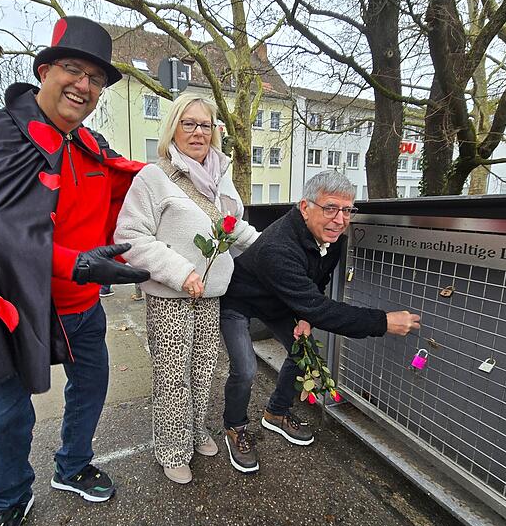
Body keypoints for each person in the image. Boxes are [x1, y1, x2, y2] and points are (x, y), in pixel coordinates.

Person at [0, 16, 150, 526]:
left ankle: (72, 465)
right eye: (72, 69)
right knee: (6, 413)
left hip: (82, 308)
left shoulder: (91, 145)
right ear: (44, 71)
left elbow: (121, 204)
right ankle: (9, 503)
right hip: (10, 310)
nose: (83, 85)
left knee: (92, 384)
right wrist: (75, 264)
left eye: (96, 78)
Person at [219, 170, 421, 473]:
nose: (339, 219)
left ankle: (275, 412)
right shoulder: (278, 247)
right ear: (305, 207)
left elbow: (318, 281)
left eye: (347, 210)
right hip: (240, 299)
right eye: (330, 208)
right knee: (246, 367)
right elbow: (321, 307)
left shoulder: (332, 236)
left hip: (280, 299)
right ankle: (234, 427)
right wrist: (383, 322)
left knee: (304, 353)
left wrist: (303, 316)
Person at [115, 94, 259, 484]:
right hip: (170, 298)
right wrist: (180, 272)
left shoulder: (218, 176)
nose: (198, 132)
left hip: (210, 296)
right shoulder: (153, 177)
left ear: (215, 132)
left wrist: (270, 250)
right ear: (173, 128)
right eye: (189, 123)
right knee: (172, 376)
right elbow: (129, 236)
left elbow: (232, 227)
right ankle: (171, 448)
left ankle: (195, 431)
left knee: (203, 371)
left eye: (206, 125)